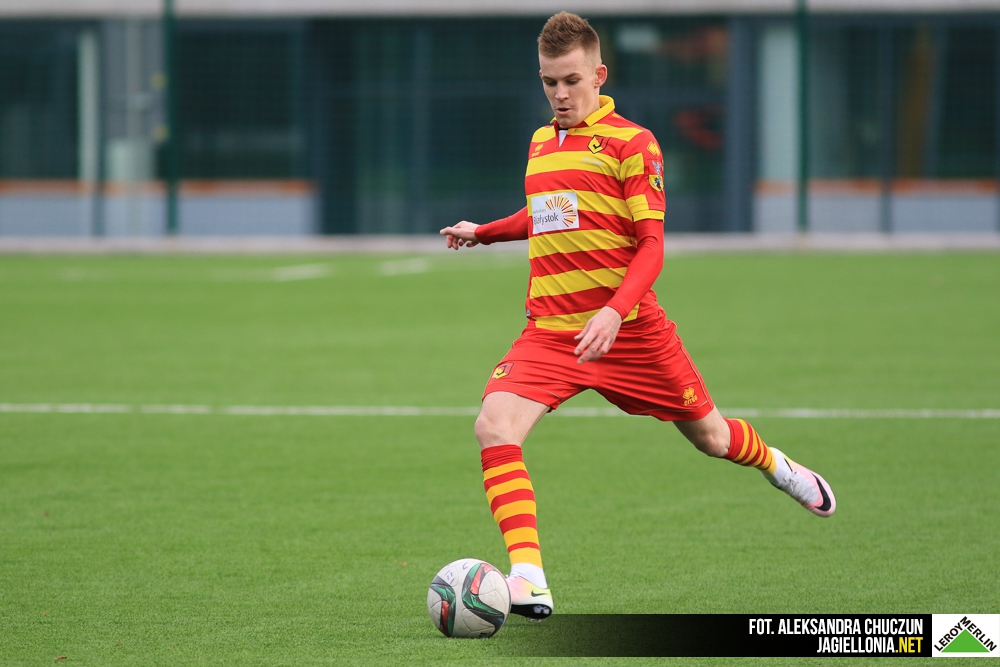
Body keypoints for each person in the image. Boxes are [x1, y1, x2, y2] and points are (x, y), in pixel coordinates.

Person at [439, 11, 835, 622]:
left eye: (571, 80)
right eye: (549, 82)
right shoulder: (542, 142)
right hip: (551, 332)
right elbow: (545, 213)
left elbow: (651, 246)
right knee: (494, 427)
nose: (560, 94)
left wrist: (614, 312)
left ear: (599, 75)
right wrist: (484, 231)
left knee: (713, 438)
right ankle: (529, 579)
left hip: (631, 333)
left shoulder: (633, 143)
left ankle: (777, 465)